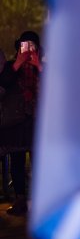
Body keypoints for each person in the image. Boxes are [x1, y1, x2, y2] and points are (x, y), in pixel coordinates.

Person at [0, 32, 43, 216]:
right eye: (24, 46)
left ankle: (42, 199)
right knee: (17, 161)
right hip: (15, 123)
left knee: (39, 162)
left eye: (31, 46)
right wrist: (17, 64)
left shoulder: (43, 67)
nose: (27, 50)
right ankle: (20, 200)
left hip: (37, 122)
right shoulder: (10, 67)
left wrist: (39, 66)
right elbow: (3, 84)